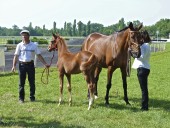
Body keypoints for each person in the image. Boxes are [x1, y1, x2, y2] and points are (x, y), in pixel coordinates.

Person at [11, 30, 50, 103]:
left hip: (30, 65)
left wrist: (45, 63)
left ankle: (32, 97)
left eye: (25, 35)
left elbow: (39, 55)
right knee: (21, 83)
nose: (24, 37)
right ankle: (21, 99)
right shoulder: (19, 45)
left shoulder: (34, 45)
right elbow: (16, 56)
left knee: (32, 82)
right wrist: (13, 66)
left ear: (28, 36)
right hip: (22, 65)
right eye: (22, 35)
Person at [132, 30, 151, 111]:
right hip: (146, 68)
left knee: (143, 89)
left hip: (142, 68)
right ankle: (145, 105)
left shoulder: (143, 46)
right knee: (144, 89)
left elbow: (141, 57)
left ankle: (144, 107)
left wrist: (133, 55)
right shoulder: (148, 45)